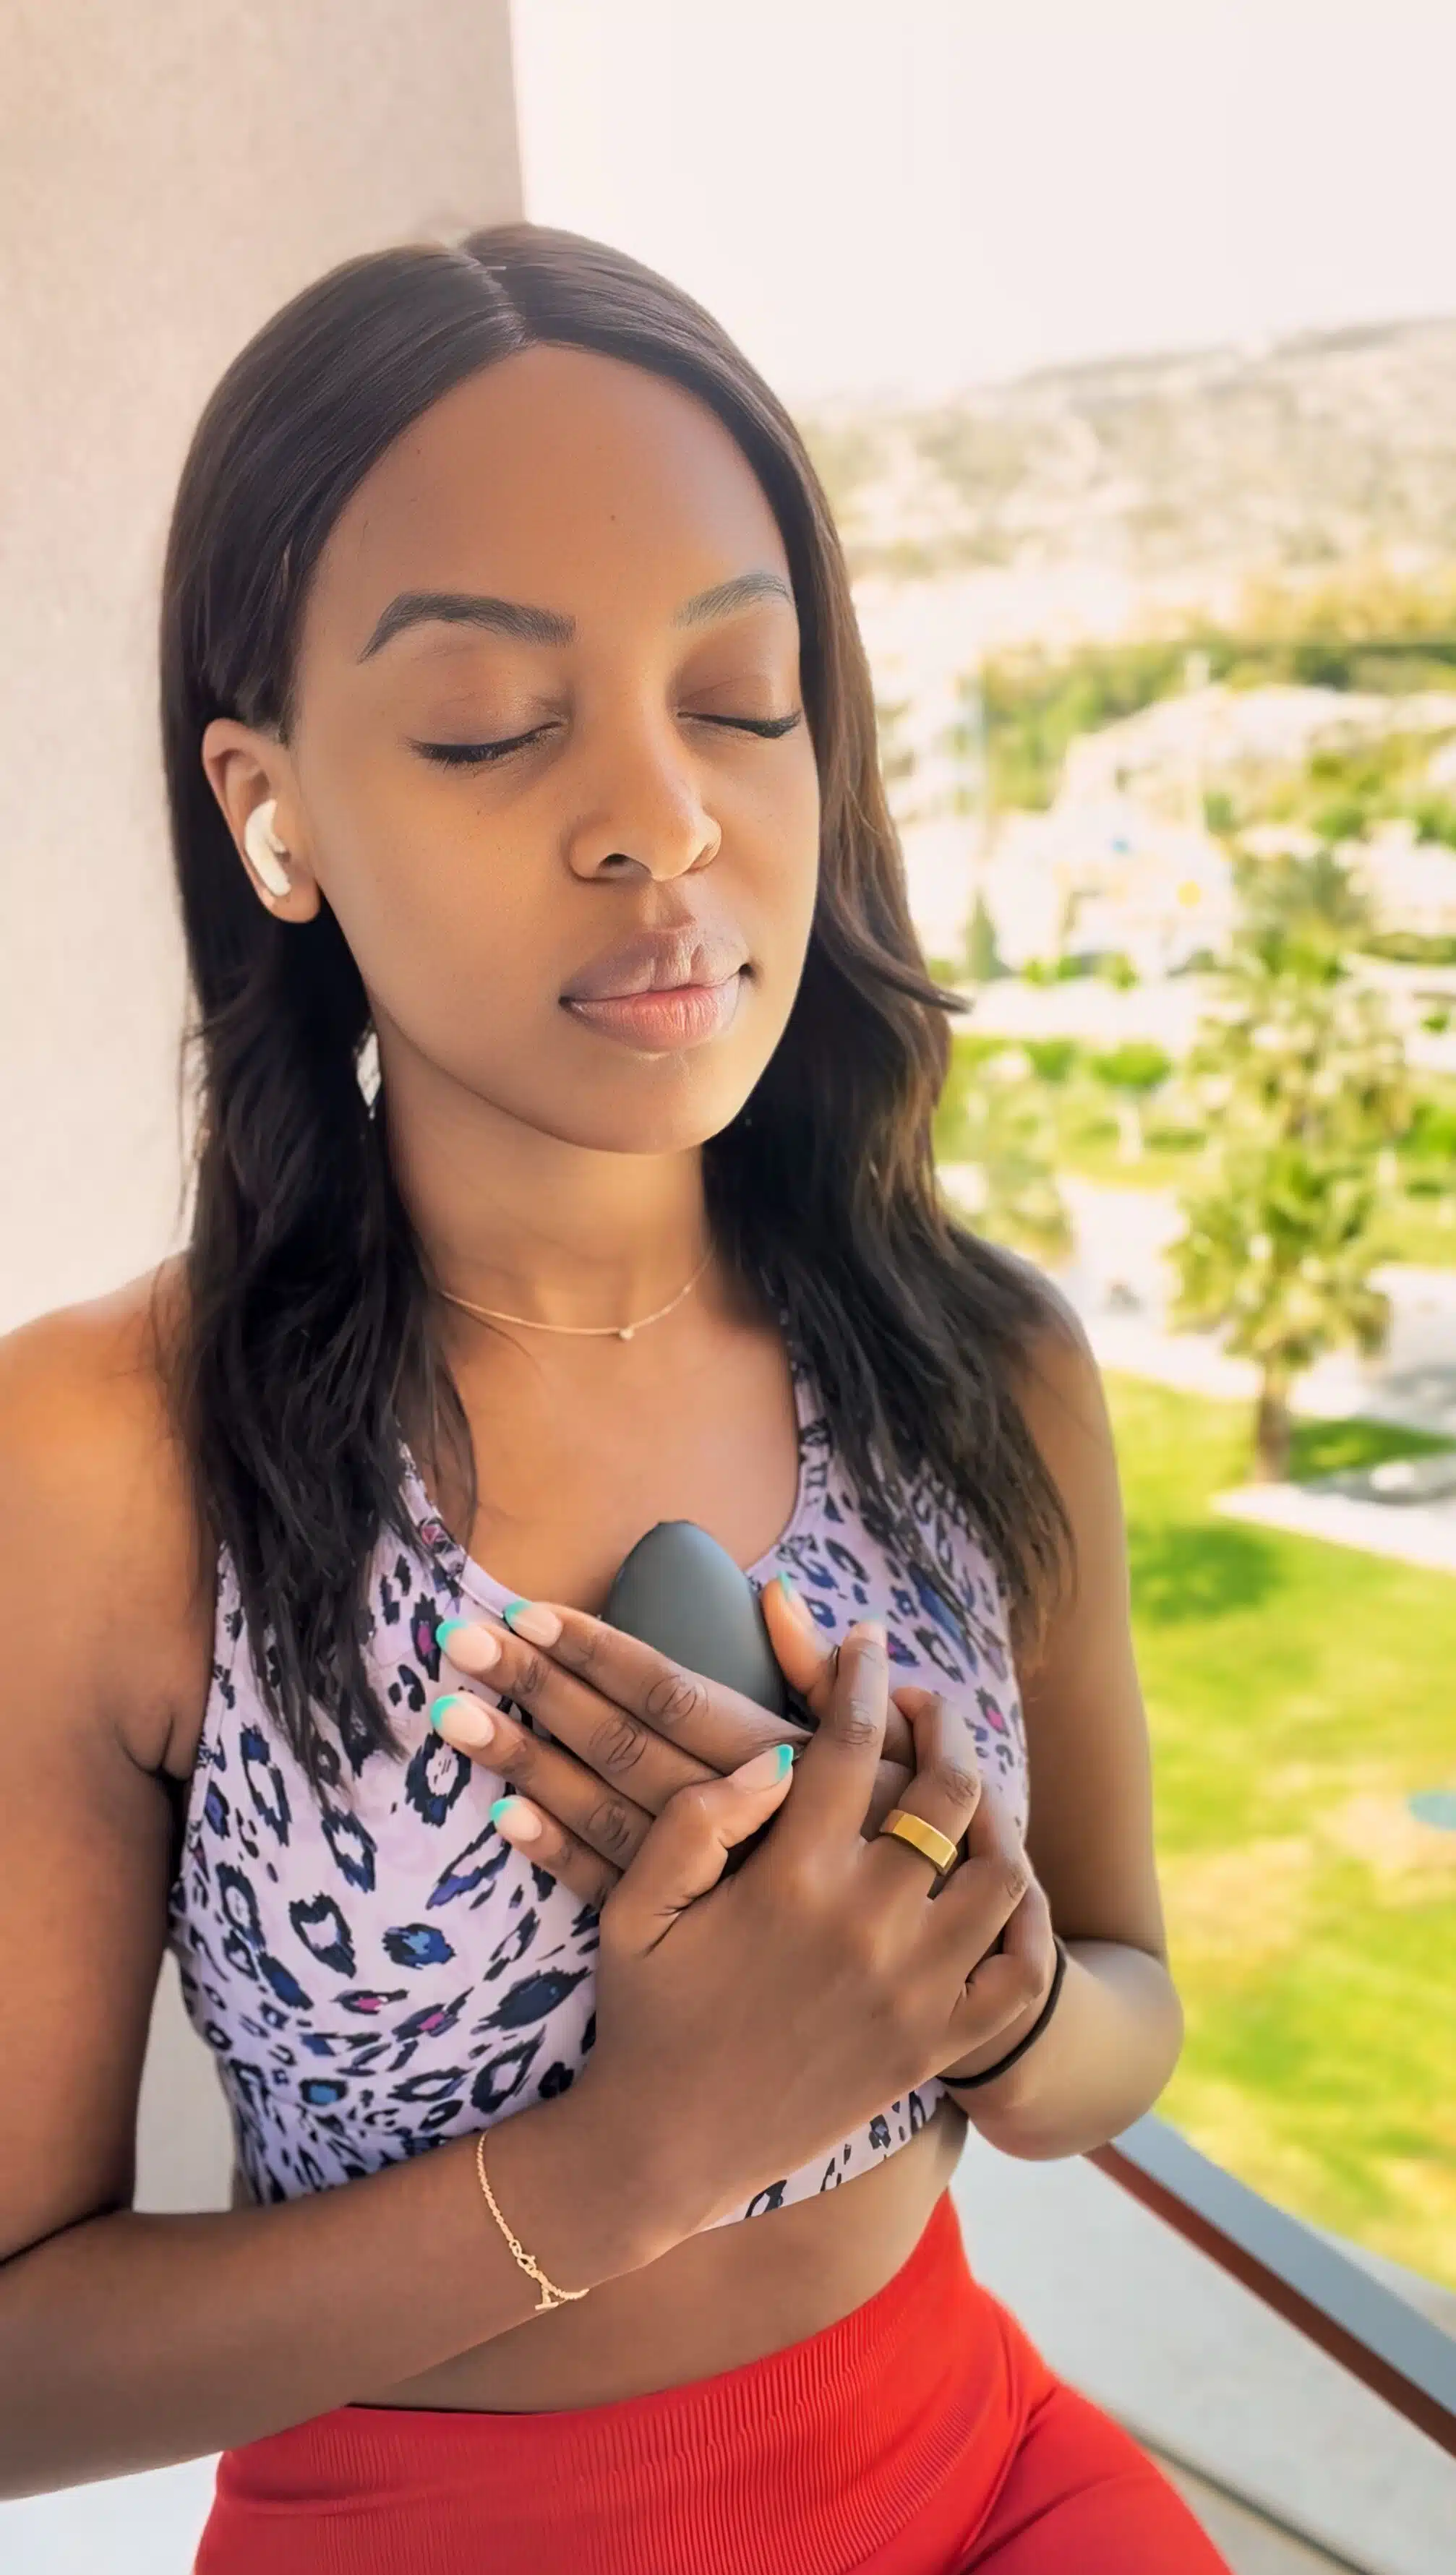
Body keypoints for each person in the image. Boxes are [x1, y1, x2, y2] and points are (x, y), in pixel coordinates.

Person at [0, 222, 1233, 2573]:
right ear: (272, 810)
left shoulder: (978, 1360)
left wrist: (981, 1997)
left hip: (983, 2476)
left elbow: (1117, 2027)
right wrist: (624, 2165)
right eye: (488, 726)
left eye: (741, 696)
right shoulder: (99, 1467)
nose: (657, 819)